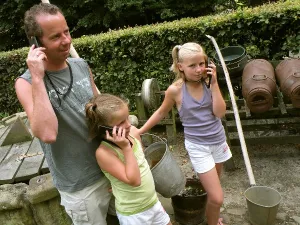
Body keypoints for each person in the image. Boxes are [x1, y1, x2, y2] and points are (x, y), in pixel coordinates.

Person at [15, 3, 112, 225]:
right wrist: (38, 77)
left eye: (66, 31)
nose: (66, 40)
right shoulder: (26, 83)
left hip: (111, 168)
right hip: (81, 186)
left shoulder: (80, 65)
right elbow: (47, 133)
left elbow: (102, 112)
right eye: (56, 36)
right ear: (36, 42)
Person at [137, 42, 232, 225]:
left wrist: (214, 84)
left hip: (218, 142)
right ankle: (212, 222)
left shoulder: (208, 83)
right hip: (198, 147)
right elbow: (160, 113)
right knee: (218, 197)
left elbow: (220, 113)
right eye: (192, 65)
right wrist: (140, 131)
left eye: (202, 63)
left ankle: (210, 214)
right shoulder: (175, 90)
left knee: (212, 190)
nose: (199, 69)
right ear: (180, 67)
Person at [85, 93, 172, 225]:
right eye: (121, 122)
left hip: (152, 202)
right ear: (104, 129)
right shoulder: (105, 153)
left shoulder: (132, 133)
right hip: (134, 214)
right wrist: (126, 148)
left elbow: (141, 162)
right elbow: (134, 180)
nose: (128, 124)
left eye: (127, 118)